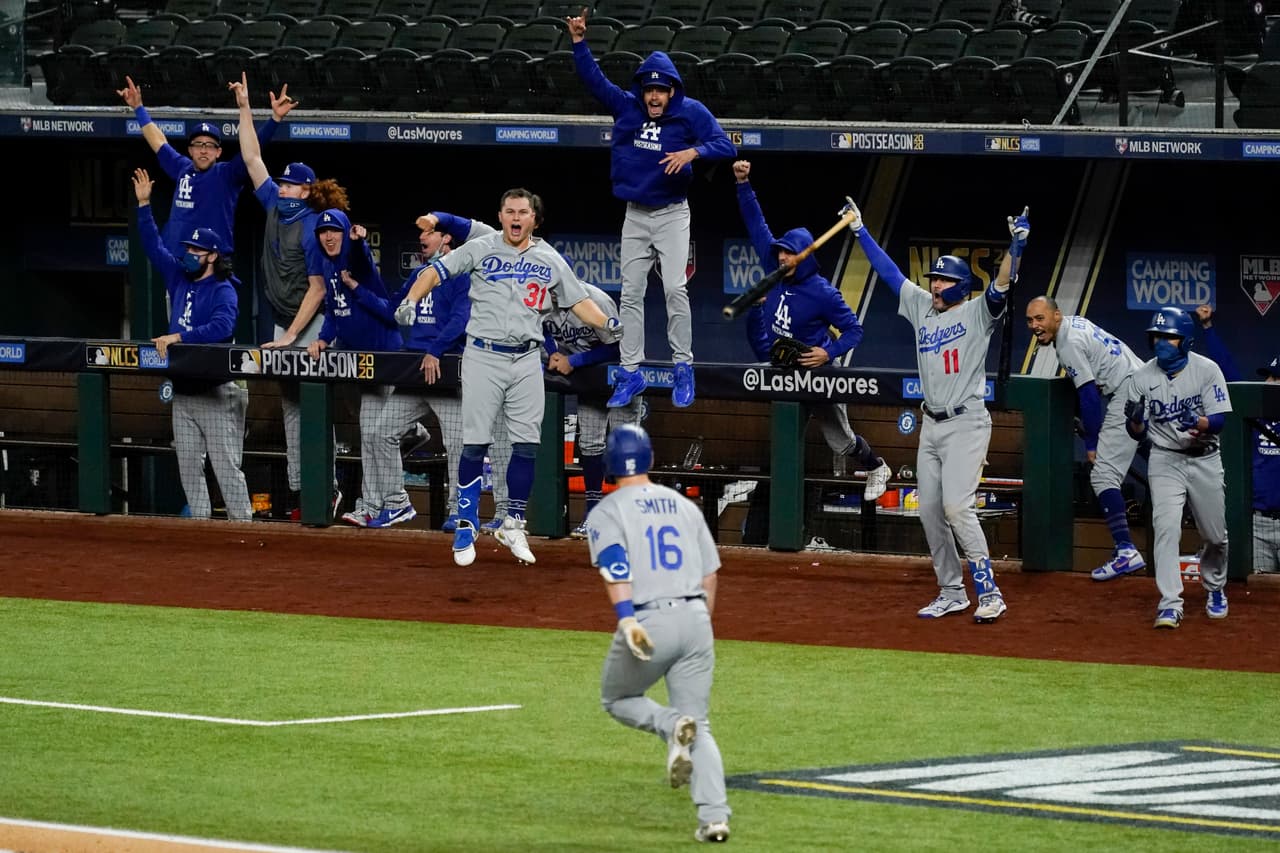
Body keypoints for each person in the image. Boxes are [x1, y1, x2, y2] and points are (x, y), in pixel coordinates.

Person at [404, 189, 620, 567]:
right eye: (509, 211)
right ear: (501, 216)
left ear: (534, 219)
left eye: (523, 212)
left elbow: (577, 301)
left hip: (526, 359)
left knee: (527, 445)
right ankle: (467, 523)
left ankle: (513, 522)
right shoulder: (481, 247)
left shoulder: (549, 258)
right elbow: (435, 272)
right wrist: (409, 301)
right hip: (484, 355)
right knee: (475, 444)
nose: (516, 217)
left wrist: (607, 322)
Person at [849, 202, 1028, 623]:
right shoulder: (921, 308)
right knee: (928, 510)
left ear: (961, 285)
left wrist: (1017, 245)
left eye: (943, 279)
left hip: (967, 422)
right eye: (933, 278)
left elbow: (1002, 283)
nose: (935, 284)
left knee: (957, 509)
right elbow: (890, 274)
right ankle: (952, 591)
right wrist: (860, 231)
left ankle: (990, 592)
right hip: (931, 422)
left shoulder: (977, 312)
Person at [567, 8, 737, 410]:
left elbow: (726, 145)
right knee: (630, 294)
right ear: (642, 90)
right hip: (635, 214)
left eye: (661, 90)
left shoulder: (690, 111)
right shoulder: (627, 107)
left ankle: (683, 366)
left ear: (672, 90)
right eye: (649, 90)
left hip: (672, 214)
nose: (655, 96)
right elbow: (595, 80)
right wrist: (579, 42)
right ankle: (631, 372)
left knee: (675, 288)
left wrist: (693, 151)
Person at [588, 424, 731, 844]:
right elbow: (710, 573)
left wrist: (627, 618)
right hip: (696, 617)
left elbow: (615, 565)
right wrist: (700, 623)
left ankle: (670, 725)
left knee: (617, 699)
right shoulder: (682, 505)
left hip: (649, 620)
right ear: (649, 457)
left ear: (610, 466)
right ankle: (715, 818)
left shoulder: (607, 511)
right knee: (700, 723)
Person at [733, 159, 893, 503]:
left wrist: (828, 353)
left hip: (816, 369)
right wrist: (743, 183)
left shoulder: (823, 292)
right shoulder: (773, 266)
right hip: (783, 364)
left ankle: (876, 465)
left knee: (841, 439)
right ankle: (762, 484)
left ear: (803, 258)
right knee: (784, 430)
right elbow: (756, 224)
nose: (781, 258)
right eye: (780, 253)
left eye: (789, 254)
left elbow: (854, 330)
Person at [232, 73, 346, 520]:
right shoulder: (274, 207)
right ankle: (303, 493)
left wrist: (290, 338)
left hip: (312, 321)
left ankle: (328, 487)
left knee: (314, 403)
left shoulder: (316, 226)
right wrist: (247, 108)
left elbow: (318, 290)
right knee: (292, 407)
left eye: (290, 186)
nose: (282, 188)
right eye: (281, 184)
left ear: (307, 190)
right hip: (286, 317)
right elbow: (251, 156)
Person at [131, 167, 252, 523]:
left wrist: (178, 337)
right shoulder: (178, 276)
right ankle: (200, 529)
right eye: (188, 248)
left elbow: (222, 327)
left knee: (226, 468)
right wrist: (143, 206)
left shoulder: (224, 289)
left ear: (212, 256)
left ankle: (243, 527)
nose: (188, 254)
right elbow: (153, 246)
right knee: (188, 469)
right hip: (183, 391)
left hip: (216, 391)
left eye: (196, 250)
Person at [1025, 296, 1147, 580]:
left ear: (1057, 315)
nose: (1034, 326)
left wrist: (1091, 444)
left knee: (1103, 476)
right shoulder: (1075, 323)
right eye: (1030, 320)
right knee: (1169, 462)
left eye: (1040, 318)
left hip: (1128, 394)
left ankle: (1125, 550)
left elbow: (1090, 396)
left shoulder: (1068, 343)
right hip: (1144, 383)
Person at [1124, 306, 1232, 628]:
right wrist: (1135, 421)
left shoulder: (1207, 370)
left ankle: (1215, 587)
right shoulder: (1142, 377)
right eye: (1156, 336)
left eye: (1169, 337)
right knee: (1166, 528)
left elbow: (1220, 420)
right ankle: (1170, 602)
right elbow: (1135, 433)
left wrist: (1200, 422)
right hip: (1165, 458)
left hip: (1205, 457)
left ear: (1185, 341)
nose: (1160, 342)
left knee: (1215, 535)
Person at [117, 74, 295, 257]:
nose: (203, 150)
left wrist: (274, 120)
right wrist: (138, 108)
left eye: (210, 146)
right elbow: (159, 142)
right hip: (177, 263)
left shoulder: (226, 174)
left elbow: (252, 152)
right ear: (190, 150)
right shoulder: (181, 168)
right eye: (198, 144)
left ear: (218, 152)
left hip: (213, 265)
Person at [305, 210, 404, 528]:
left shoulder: (353, 258)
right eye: (323, 232)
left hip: (384, 358)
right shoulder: (326, 264)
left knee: (378, 434)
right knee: (370, 434)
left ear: (345, 233)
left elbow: (361, 260)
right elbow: (335, 311)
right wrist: (322, 339)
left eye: (334, 230)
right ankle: (372, 504)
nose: (328, 236)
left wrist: (359, 243)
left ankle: (385, 502)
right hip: (361, 364)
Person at [542, 277, 642, 538]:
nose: (548, 290)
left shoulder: (594, 300)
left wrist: (574, 360)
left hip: (620, 378)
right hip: (589, 382)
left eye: (553, 285)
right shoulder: (540, 299)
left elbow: (620, 346)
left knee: (625, 449)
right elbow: (540, 330)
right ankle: (593, 515)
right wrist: (553, 352)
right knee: (589, 445)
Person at [1194, 304, 1280, 574]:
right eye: (1267, 376)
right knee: (1256, 598)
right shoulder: (1254, 417)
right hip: (1258, 525)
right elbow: (1228, 374)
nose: (1269, 382)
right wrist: (1208, 329)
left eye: (1276, 378)